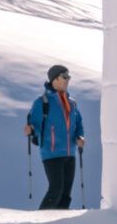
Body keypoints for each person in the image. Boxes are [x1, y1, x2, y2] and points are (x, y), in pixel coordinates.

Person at [27, 65, 87, 209]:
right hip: (51, 152)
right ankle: (40, 221)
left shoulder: (72, 103)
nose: (67, 80)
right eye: (64, 77)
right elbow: (34, 124)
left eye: (69, 77)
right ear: (54, 79)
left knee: (66, 192)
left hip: (70, 152)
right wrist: (31, 130)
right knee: (56, 189)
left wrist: (80, 136)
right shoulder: (42, 102)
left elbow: (78, 123)